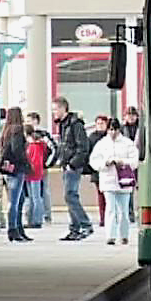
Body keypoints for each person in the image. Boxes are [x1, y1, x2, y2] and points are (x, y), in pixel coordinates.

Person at [89, 118, 138, 246]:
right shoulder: (102, 144)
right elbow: (93, 161)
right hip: (107, 180)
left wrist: (123, 163)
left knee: (123, 210)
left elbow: (134, 160)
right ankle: (110, 236)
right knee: (110, 209)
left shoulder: (127, 143)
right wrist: (105, 164)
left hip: (124, 181)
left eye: (115, 129)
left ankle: (124, 235)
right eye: (110, 129)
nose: (113, 132)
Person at [52, 96, 92, 241]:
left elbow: (83, 146)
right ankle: (75, 228)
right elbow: (63, 145)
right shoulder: (63, 124)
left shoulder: (75, 124)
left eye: (55, 109)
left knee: (71, 195)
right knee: (69, 196)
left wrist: (73, 163)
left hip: (73, 166)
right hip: (66, 164)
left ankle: (84, 224)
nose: (54, 113)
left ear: (63, 108)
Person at [0, 107, 32, 243]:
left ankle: (18, 229)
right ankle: (13, 229)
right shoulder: (17, 130)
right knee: (15, 200)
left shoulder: (5, 131)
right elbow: (17, 149)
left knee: (19, 199)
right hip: (17, 169)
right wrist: (26, 162)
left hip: (8, 169)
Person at [25, 112, 57, 224]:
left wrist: (47, 164)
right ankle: (34, 216)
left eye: (29, 120)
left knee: (42, 192)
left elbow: (53, 149)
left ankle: (44, 216)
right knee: (34, 194)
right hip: (34, 168)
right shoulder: (28, 137)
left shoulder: (43, 135)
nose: (27, 123)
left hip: (40, 168)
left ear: (35, 121)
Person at [86, 115, 108, 227]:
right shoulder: (92, 137)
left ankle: (110, 217)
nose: (100, 125)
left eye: (102, 123)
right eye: (98, 123)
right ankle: (103, 217)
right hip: (97, 170)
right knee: (100, 195)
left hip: (109, 170)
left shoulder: (109, 136)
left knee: (109, 195)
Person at [24, 124, 45, 228]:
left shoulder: (34, 147)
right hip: (32, 174)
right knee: (33, 197)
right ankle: (32, 219)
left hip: (33, 174)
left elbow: (35, 162)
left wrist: (29, 169)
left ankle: (36, 220)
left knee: (35, 197)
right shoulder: (34, 146)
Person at [122, 107, 139, 224]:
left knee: (141, 188)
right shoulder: (123, 129)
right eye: (128, 115)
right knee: (128, 188)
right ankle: (129, 213)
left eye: (133, 115)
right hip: (127, 161)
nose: (131, 117)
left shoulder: (141, 128)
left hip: (140, 160)